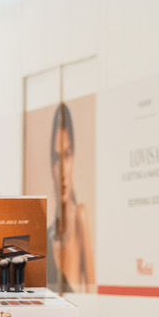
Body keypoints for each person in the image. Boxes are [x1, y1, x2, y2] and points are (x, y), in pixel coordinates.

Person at [48, 103, 94, 290]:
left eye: (67, 155)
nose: (62, 171)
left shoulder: (80, 217)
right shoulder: (48, 234)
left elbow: (91, 290)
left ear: (74, 157)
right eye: (56, 158)